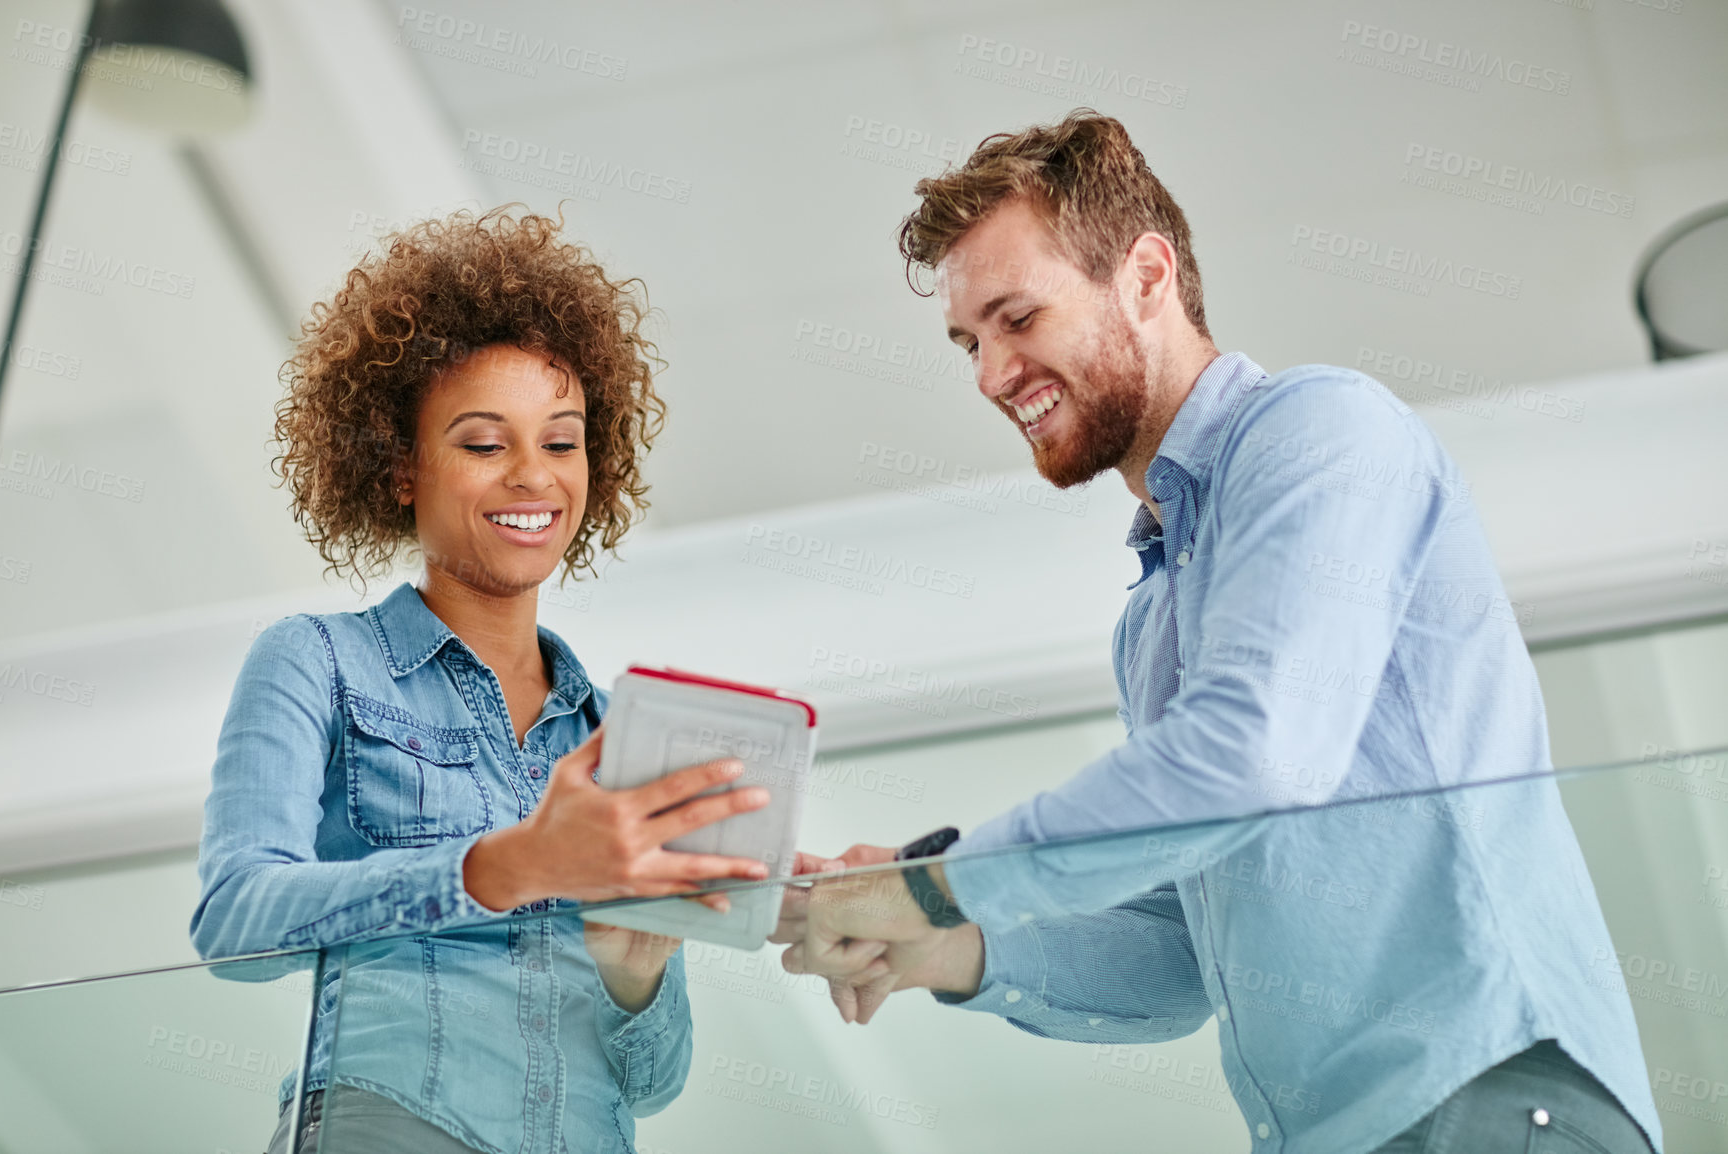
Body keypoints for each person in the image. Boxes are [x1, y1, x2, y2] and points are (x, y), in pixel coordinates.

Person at [774, 110, 1661, 1154]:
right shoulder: (1150, 619)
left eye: (1016, 318)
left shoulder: (1320, 429)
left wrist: (932, 878)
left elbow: (1257, 748)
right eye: (970, 343)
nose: (989, 373)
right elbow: (1180, 955)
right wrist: (944, 942)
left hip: (1486, 1101)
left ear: (1146, 276)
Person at [190, 207, 772, 1154]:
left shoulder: (614, 732)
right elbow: (235, 923)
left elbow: (653, 1083)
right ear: (399, 468)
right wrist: (502, 867)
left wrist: (636, 972)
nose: (533, 478)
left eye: (562, 440)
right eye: (483, 443)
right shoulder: (317, 661)